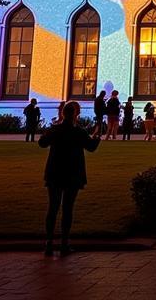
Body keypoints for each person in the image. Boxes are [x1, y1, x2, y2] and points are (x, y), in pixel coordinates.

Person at [38, 100, 100, 255]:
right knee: (67, 208)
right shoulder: (79, 131)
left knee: (53, 208)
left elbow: (42, 143)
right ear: (76, 114)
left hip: (55, 172)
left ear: (62, 113)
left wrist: (49, 130)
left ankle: (49, 243)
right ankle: (64, 242)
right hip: (72, 173)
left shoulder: (55, 130)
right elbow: (91, 148)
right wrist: (96, 137)